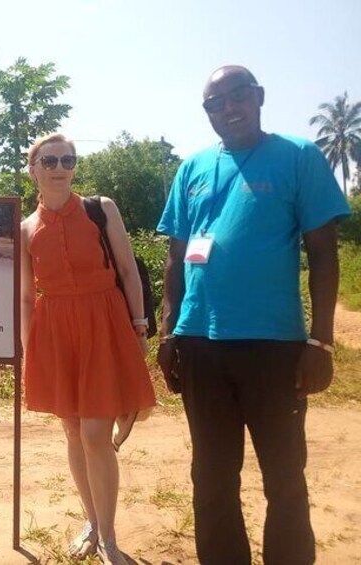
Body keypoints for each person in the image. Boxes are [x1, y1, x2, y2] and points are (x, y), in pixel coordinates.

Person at [156, 66, 351, 565]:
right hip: (200, 345)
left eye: (237, 95)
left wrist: (320, 342)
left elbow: (324, 256)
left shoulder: (298, 156)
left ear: (259, 96)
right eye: (215, 103)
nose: (228, 108)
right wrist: (169, 331)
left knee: (284, 477)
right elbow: (176, 257)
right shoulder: (192, 169)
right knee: (212, 478)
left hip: (274, 348)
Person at [20, 133, 156, 565]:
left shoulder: (102, 209)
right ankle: (92, 522)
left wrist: (138, 326)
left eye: (68, 159)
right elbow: (25, 297)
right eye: (50, 160)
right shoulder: (24, 228)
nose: (60, 167)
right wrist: (29, 350)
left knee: (96, 434)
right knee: (73, 431)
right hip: (55, 331)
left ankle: (110, 537)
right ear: (34, 168)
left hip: (104, 322)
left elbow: (129, 270)